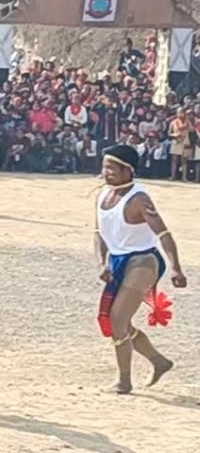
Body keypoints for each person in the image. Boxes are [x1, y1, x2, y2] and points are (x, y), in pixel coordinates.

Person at [93, 144, 187, 394]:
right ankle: (158, 361)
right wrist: (102, 263)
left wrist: (176, 268)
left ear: (127, 171)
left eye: (112, 168)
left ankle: (124, 381)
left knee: (118, 319)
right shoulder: (102, 195)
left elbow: (163, 233)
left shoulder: (139, 199)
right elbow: (99, 234)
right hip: (117, 261)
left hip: (143, 261)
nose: (106, 172)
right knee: (116, 322)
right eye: (105, 167)